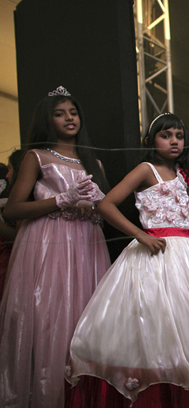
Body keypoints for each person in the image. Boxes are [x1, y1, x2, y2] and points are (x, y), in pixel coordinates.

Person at [66, 113, 189, 406]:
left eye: (179, 136)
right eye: (166, 135)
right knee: (156, 319)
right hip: (156, 252)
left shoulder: (182, 174)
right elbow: (106, 204)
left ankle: (185, 389)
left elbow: (186, 218)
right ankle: (157, 392)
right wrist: (141, 235)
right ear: (150, 140)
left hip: (187, 257)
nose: (174, 141)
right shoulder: (145, 169)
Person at [0, 86, 111, 408]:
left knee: (87, 318)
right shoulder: (36, 157)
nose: (69, 118)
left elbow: (103, 211)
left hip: (88, 245)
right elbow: (12, 210)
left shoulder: (94, 162)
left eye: (73, 112)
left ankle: (84, 397)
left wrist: (95, 207)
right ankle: (47, 394)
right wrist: (61, 199)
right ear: (48, 120)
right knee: (49, 317)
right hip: (49, 244)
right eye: (60, 114)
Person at [0, 149, 24, 301]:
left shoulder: (23, 201)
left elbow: (17, 237)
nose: (7, 175)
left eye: (10, 169)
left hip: (10, 261)